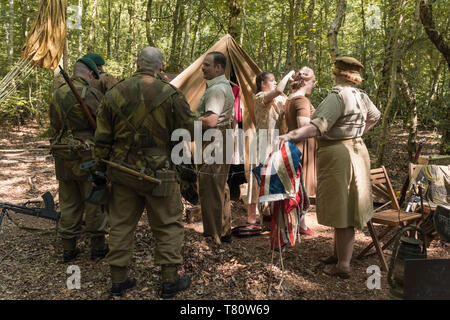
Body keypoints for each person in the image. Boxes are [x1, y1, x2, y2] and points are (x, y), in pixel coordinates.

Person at [93, 47, 196, 298]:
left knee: (120, 225)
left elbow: (102, 137)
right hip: (160, 173)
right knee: (168, 225)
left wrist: (99, 168)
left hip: (121, 171)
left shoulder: (114, 92)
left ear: (137, 62)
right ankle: (169, 281)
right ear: (161, 66)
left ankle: (119, 280)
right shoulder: (172, 94)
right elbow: (190, 131)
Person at [278, 57, 381, 278]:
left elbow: (316, 127)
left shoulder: (338, 96)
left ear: (336, 73)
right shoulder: (361, 96)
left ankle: (344, 264)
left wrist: (290, 135)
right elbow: (375, 117)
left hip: (339, 154)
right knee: (342, 204)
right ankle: (339, 255)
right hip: (356, 151)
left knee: (343, 208)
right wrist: (356, 133)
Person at [49, 57, 109, 263]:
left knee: (68, 203)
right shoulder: (91, 93)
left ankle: (69, 248)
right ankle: (98, 247)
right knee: (94, 200)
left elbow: (55, 126)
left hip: (63, 155)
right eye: (95, 76)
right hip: (87, 156)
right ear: (91, 74)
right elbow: (104, 125)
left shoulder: (57, 94)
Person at [247, 70, 294, 227]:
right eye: (272, 80)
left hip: (276, 144)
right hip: (262, 143)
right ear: (262, 84)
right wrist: (288, 75)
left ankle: (269, 218)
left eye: (276, 80)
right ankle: (252, 218)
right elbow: (279, 90)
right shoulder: (260, 96)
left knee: (273, 180)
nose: (275, 82)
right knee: (257, 180)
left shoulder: (280, 98)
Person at [197, 51, 235, 245]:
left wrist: (189, 121)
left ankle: (213, 236)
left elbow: (211, 120)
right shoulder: (223, 86)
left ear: (219, 67)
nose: (203, 67)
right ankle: (224, 229)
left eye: (207, 65)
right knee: (220, 186)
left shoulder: (216, 89)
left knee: (210, 187)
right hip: (221, 139)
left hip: (214, 140)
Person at [285, 67, 317, 236]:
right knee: (300, 186)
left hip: (293, 146)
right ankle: (299, 224)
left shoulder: (290, 99)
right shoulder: (302, 101)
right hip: (301, 147)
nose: (313, 85)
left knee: (296, 186)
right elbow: (303, 127)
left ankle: (299, 222)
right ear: (305, 82)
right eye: (312, 82)